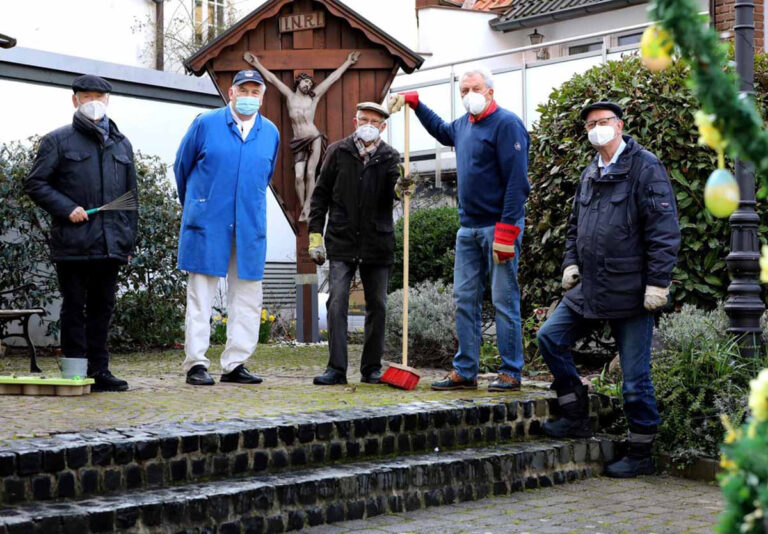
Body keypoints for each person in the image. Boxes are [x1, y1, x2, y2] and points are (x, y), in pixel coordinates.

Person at [537, 101, 680, 478]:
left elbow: (664, 230)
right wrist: (570, 263)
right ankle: (574, 413)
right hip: (591, 287)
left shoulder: (644, 167)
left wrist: (657, 283)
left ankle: (641, 452)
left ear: (619, 126)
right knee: (550, 338)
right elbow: (573, 226)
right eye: (591, 124)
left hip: (632, 291)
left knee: (635, 380)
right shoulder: (590, 172)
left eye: (603, 122)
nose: (597, 128)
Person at [392, 66, 530, 392]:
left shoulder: (507, 124)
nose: (470, 96)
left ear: (490, 92)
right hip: (467, 228)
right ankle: (465, 370)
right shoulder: (464, 126)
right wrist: (416, 104)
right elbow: (442, 130)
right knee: (464, 300)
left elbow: (517, 183)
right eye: (464, 91)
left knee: (503, 301)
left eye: (475, 89)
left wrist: (507, 232)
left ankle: (510, 371)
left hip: (499, 227)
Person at [25, 74, 138, 392]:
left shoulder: (122, 143)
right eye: (86, 97)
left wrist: (127, 242)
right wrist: (66, 207)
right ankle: (75, 370)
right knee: (74, 305)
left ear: (108, 101)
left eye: (99, 98)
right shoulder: (58, 141)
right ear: (75, 101)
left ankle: (100, 371)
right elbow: (36, 183)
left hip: (111, 244)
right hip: (73, 242)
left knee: (103, 306)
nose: (93, 103)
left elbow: (131, 199)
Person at [174, 69, 280, 386]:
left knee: (247, 296)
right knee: (201, 295)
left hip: (249, 225)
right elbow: (182, 167)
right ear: (230, 93)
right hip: (208, 223)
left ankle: (236, 363)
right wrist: (199, 203)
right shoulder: (205, 124)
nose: (249, 96)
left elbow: (266, 175)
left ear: (263, 97)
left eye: (255, 91)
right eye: (243, 90)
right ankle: (196, 363)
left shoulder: (270, 132)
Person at [308, 102, 409, 385]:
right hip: (342, 240)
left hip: (378, 242)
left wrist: (401, 189)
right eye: (364, 119)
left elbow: (394, 192)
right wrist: (315, 236)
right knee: (337, 301)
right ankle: (336, 369)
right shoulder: (337, 152)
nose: (368, 125)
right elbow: (320, 196)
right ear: (355, 122)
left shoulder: (390, 156)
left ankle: (371, 368)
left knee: (377, 304)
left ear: (383, 127)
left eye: (374, 122)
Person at [243, 50, 360, 221]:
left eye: (310, 84)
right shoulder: (290, 97)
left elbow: (332, 79)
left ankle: (307, 208)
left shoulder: (314, 97)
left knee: (311, 173)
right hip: (298, 140)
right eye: (306, 82)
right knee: (299, 176)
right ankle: (303, 203)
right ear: (299, 82)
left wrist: (348, 63)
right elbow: (272, 79)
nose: (308, 86)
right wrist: (256, 64)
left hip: (314, 138)